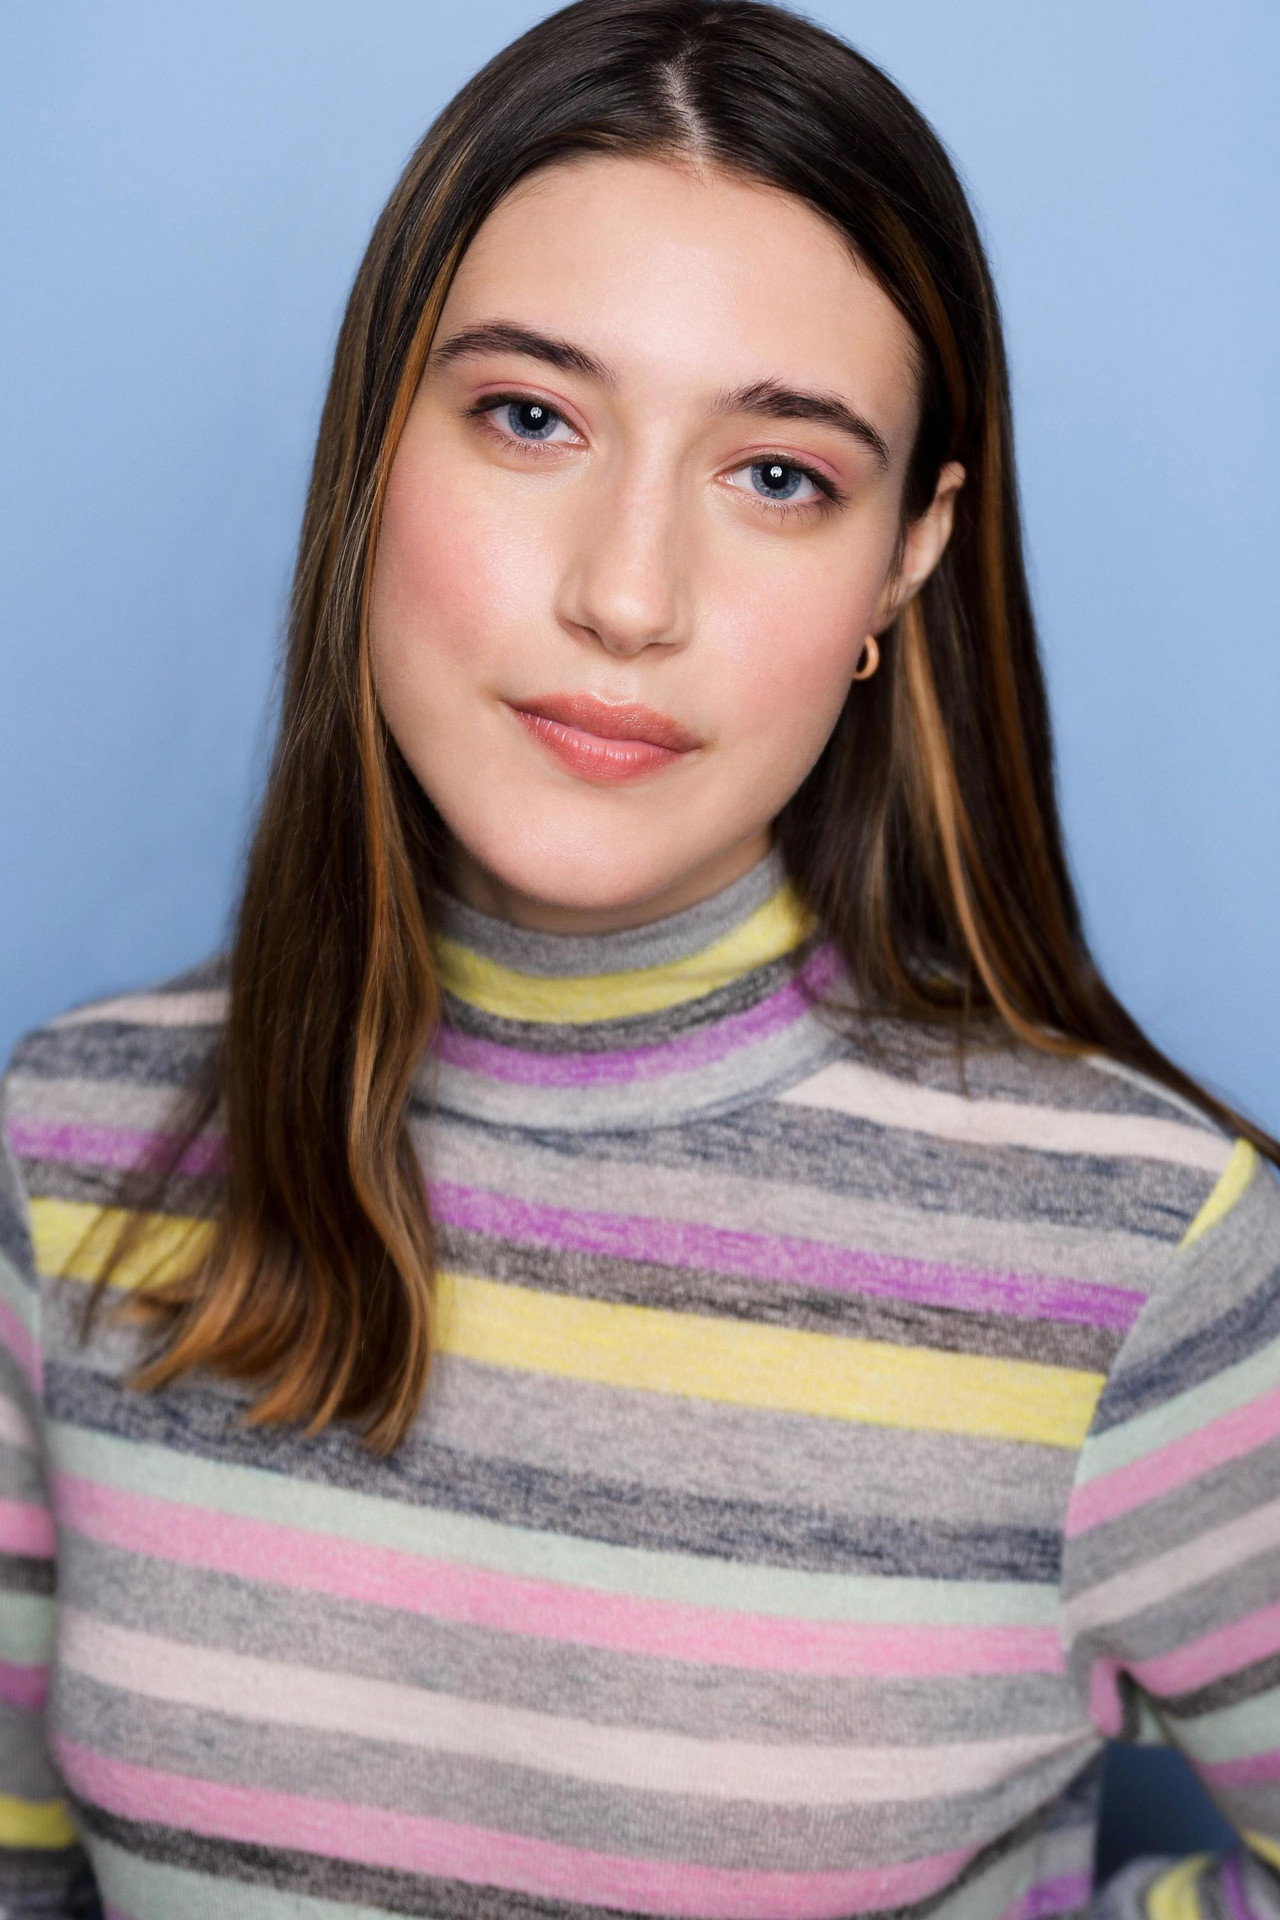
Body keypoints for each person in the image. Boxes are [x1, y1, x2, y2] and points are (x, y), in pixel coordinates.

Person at [1, 1, 1277, 1915]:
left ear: (906, 558)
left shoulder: (1144, 1261)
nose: (626, 593)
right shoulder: (72, 1150)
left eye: (781, 475)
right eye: (532, 417)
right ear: (376, 447)